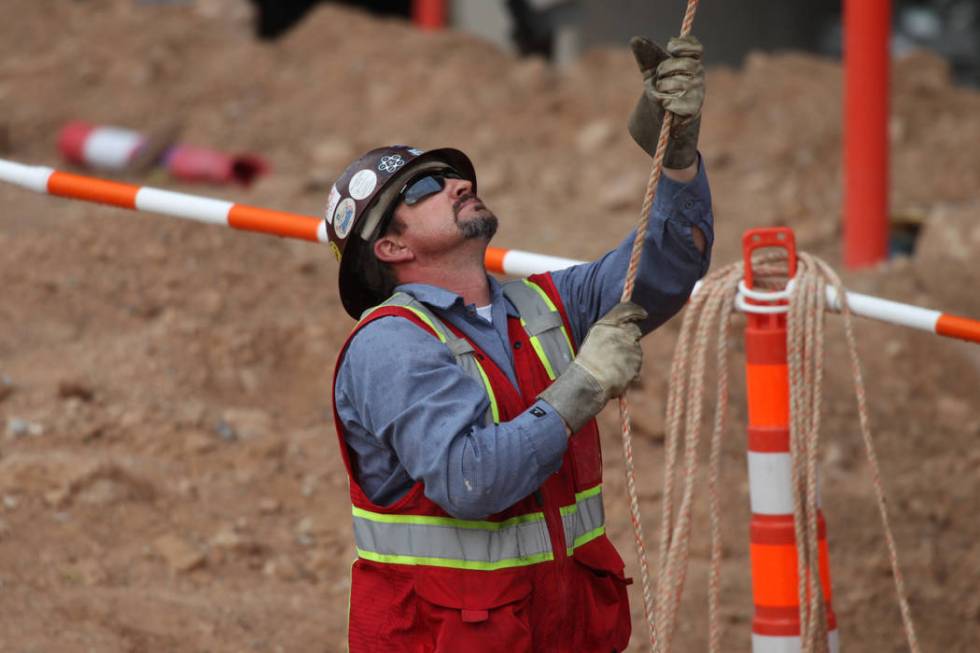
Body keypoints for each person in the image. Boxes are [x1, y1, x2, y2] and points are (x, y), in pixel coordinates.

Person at [326, 34, 712, 653]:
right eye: (424, 190)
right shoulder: (391, 346)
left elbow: (667, 267)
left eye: (451, 175)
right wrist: (583, 387)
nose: (454, 184)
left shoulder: (547, 305)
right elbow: (468, 480)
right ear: (391, 248)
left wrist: (677, 160)